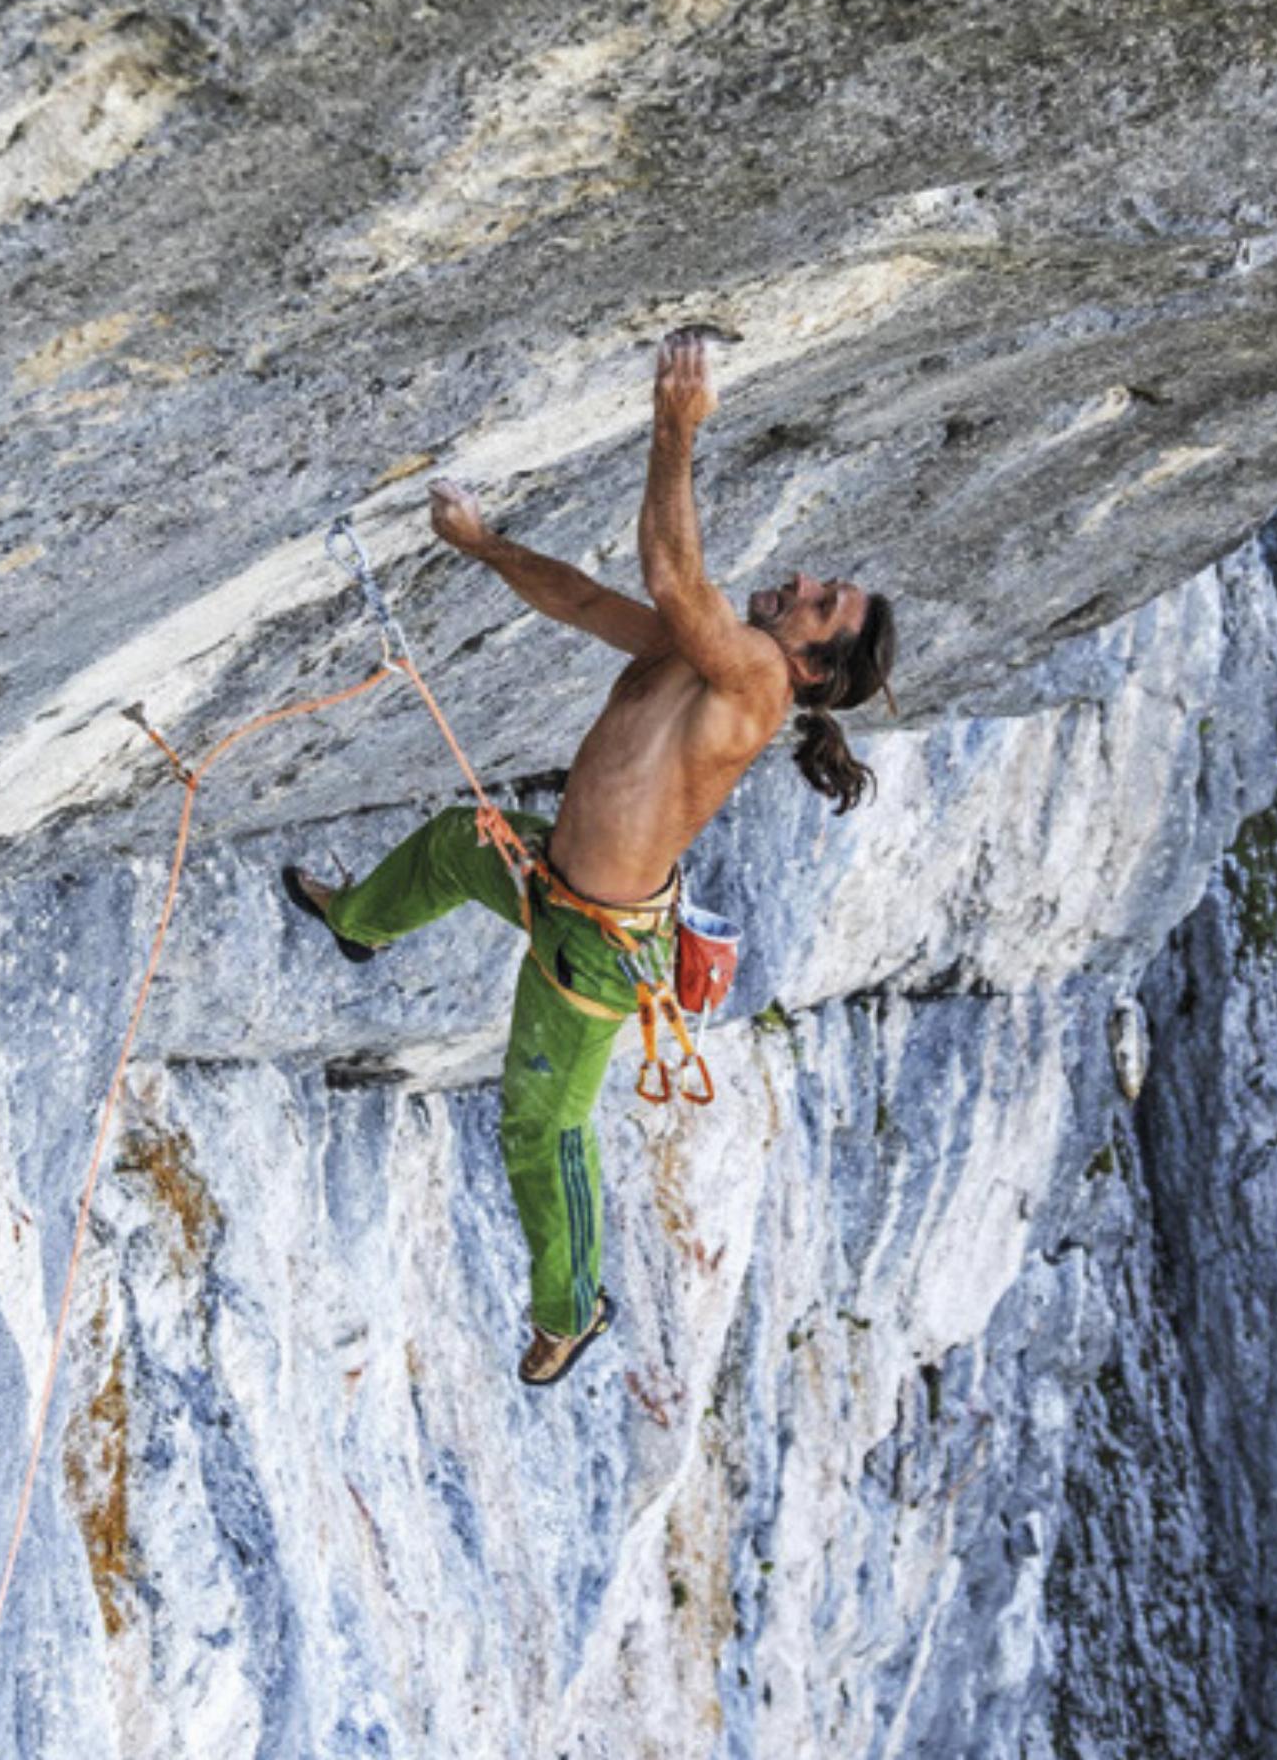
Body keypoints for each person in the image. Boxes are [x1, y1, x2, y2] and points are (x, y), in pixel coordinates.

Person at [285, 330, 897, 1387]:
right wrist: (480, 545)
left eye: (820, 597)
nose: (800, 578)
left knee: (544, 1124)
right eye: (820, 579)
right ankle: (358, 921)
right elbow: (577, 597)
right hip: (560, 879)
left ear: (809, 658)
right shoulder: (696, 652)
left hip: (597, 951)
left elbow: (670, 565)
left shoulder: (755, 684)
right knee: (448, 845)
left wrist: (676, 422)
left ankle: (573, 1307)